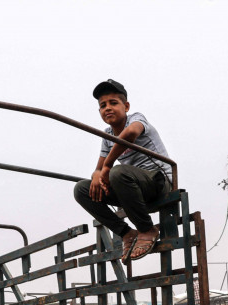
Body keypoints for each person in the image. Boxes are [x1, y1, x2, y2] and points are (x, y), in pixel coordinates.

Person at [73, 79, 172, 263]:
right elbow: (98, 169)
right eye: (103, 105)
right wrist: (96, 175)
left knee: (117, 172)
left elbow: (130, 134)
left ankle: (146, 229)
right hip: (130, 187)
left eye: (113, 103)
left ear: (126, 106)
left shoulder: (136, 119)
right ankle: (126, 233)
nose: (108, 108)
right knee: (82, 189)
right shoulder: (107, 135)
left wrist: (108, 166)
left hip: (158, 182)